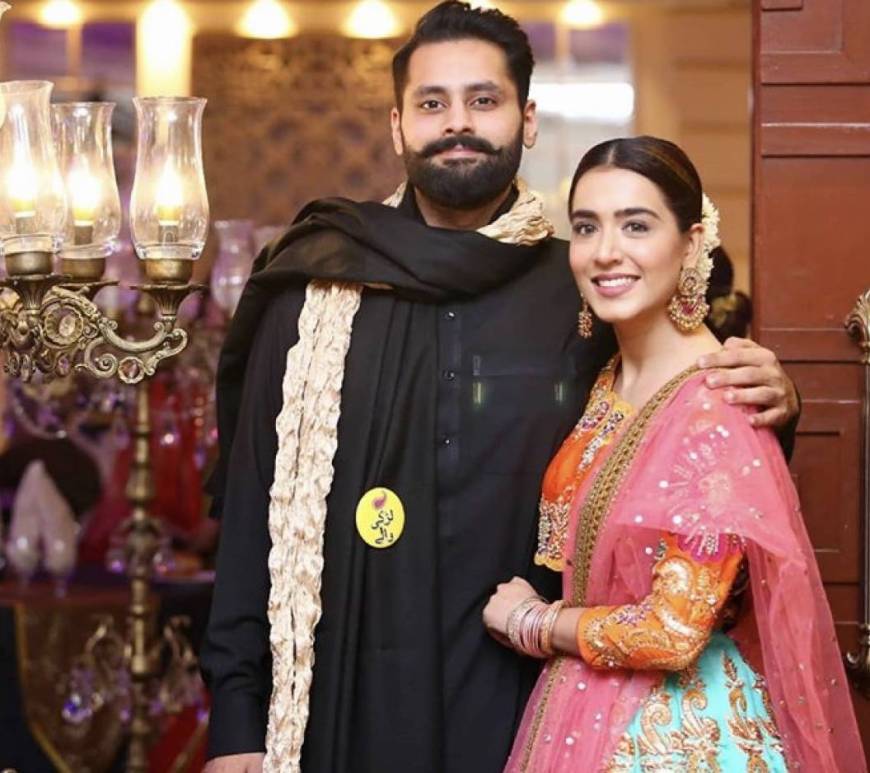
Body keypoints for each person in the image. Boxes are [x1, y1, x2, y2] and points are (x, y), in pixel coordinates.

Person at [201, 4, 799, 772]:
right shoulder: (313, 287)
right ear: (397, 127)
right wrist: (237, 723)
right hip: (347, 694)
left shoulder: (586, 293)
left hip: (530, 696)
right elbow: (253, 510)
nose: (458, 122)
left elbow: (683, 441)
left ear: (528, 119)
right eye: (432, 103)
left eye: (483, 100)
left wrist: (774, 402)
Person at [483, 136, 863, 772]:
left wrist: (535, 622)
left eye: (636, 225)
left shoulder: (719, 404)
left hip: (672, 738)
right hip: (581, 706)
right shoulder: (607, 376)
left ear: (690, 244)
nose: (606, 251)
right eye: (587, 226)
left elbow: (672, 633)